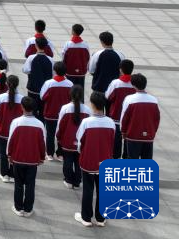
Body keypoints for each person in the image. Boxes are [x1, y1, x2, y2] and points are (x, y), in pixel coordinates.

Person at [74, 93, 113, 227]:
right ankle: (101, 218)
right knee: (102, 189)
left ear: (93, 105)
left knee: (88, 189)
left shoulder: (87, 122)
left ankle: (86, 217)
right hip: (105, 160)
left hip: (89, 160)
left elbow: (80, 141)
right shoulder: (110, 122)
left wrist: (82, 152)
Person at [6, 95, 46, 217]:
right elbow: (42, 142)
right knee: (30, 184)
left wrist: (9, 154)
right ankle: (28, 209)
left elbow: (10, 140)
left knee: (18, 184)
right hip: (33, 160)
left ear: (22, 107)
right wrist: (42, 157)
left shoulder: (16, 122)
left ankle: (18, 208)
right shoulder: (39, 124)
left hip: (18, 158)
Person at [56, 85, 90, 190]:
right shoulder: (87, 110)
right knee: (78, 161)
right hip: (82, 141)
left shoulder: (65, 108)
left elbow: (60, 125)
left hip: (67, 140)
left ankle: (68, 180)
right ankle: (77, 181)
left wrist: (58, 137)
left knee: (68, 160)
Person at [38, 62, 73, 159]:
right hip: (65, 114)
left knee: (50, 133)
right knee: (62, 133)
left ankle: (49, 153)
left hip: (50, 113)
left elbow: (42, 96)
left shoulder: (49, 83)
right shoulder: (70, 84)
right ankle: (60, 153)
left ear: (54, 71)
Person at [119, 73, 159, 159]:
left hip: (133, 135)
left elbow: (124, 118)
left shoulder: (129, 99)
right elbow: (156, 119)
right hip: (149, 136)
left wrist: (123, 132)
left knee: (132, 161)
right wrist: (153, 131)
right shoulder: (154, 100)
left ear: (133, 85)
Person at [0, 74, 23, 182]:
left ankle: (4, 174)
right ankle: (12, 174)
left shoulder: (1, 98)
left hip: (3, 129)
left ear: (6, 84)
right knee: (14, 152)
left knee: (3, 153)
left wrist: (0, 123)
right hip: (16, 132)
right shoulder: (22, 99)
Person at [105, 59, 136, 157]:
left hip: (116, 116)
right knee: (128, 140)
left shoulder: (116, 83)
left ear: (121, 70)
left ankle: (115, 158)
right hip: (131, 118)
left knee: (116, 142)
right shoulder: (135, 83)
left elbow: (107, 96)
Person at [22, 37, 54, 117]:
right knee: (43, 110)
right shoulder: (50, 59)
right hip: (46, 90)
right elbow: (53, 73)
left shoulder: (31, 58)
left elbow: (25, 70)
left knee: (32, 110)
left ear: (36, 45)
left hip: (33, 89)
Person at [61, 24, 89, 91]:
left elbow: (63, 56)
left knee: (70, 90)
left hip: (69, 71)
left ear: (73, 31)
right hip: (81, 72)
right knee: (80, 90)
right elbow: (87, 58)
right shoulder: (85, 45)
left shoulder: (68, 44)